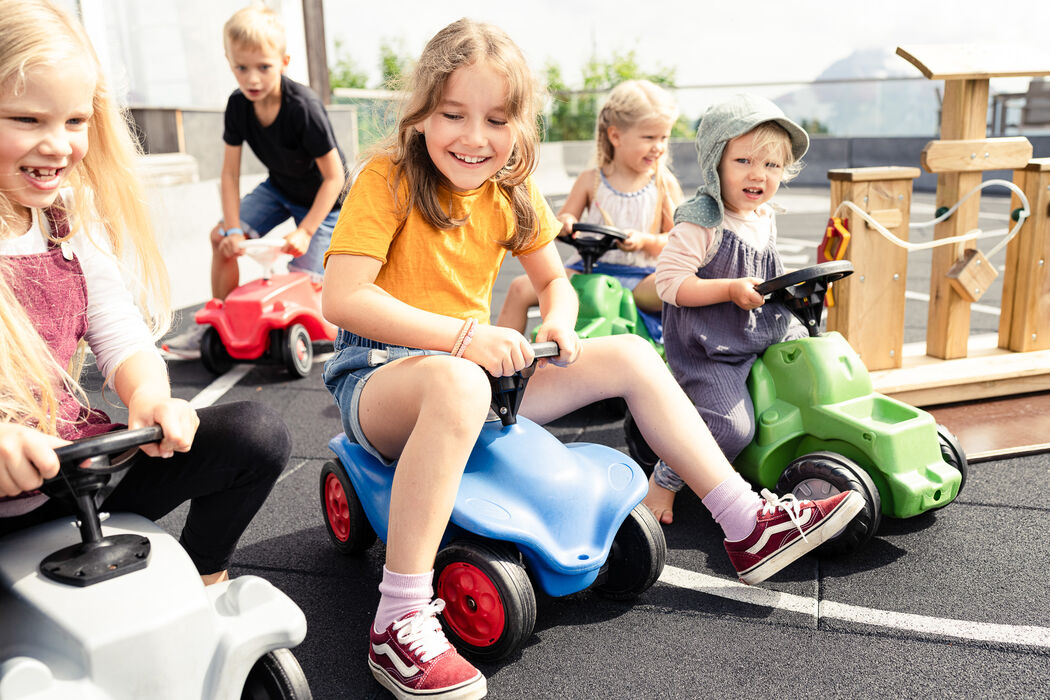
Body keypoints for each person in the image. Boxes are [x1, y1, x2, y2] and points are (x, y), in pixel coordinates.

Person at [321, 20, 863, 700]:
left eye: (496, 119)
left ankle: (743, 521)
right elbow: (343, 298)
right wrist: (463, 339)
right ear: (422, 112)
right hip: (381, 377)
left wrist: (560, 320)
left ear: (518, 127)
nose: (474, 138)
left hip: (477, 372)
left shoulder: (509, 192)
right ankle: (397, 621)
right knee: (461, 383)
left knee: (633, 353)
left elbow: (551, 281)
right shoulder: (389, 178)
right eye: (453, 115)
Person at [0, 0, 290, 588]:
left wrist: (152, 398)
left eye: (75, 121)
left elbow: (115, 325)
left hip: (72, 469)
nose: (59, 145)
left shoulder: (65, 221)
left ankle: (205, 582)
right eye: (28, 120)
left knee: (257, 436)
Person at [648, 94, 812, 523]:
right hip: (712, 347)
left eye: (771, 166)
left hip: (762, 327)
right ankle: (664, 480)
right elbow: (669, 284)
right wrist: (728, 290)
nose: (758, 175)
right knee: (729, 427)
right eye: (744, 161)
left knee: (818, 356)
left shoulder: (763, 214)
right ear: (715, 163)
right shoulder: (702, 221)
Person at [164, 3, 347, 357]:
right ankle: (214, 323)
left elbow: (334, 176)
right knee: (220, 238)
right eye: (241, 68)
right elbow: (229, 172)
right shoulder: (238, 106)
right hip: (279, 188)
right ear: (229, 62)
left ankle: (334, 338)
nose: (252, 79)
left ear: (284, 62)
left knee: (305, 280)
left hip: (325, 201)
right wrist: (233, 230)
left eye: (263, 67)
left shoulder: (303, 108)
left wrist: (306, 231)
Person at [495, 79, 683, 337]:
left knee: (678, 291)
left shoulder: (662, 184)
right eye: (649, 137)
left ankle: (681, 354)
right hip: (589, 269)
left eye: (664, 137)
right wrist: (568, 223)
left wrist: (644, 241)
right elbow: (564, 219)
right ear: (615, 136)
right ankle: (499, 364)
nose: (659, 147)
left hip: (639, 277)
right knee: (519, 287)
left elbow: (676, 240)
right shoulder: (590, 180)